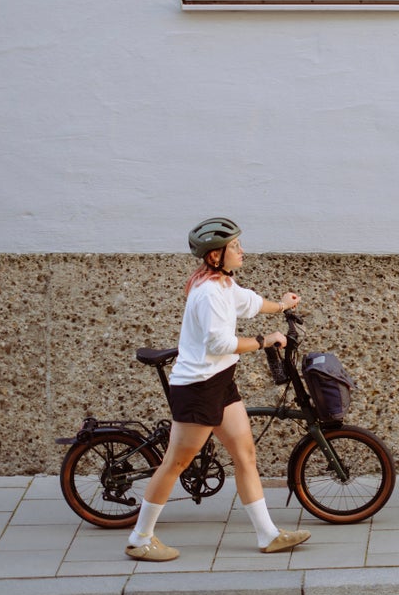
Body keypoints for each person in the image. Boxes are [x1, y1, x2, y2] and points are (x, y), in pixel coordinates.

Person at [124, 218, 310, 561]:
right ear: (214, 256)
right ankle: (140, 537)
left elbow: (250, 302)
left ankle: (268, 535)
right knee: (176, 463)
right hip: (198, 388)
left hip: (221, 382)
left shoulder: (223, 284)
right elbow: (221, 342)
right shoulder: (209, 293)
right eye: (234, 247)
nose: (241, 251)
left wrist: (282, 305)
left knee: (245, 455)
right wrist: (265, 340)